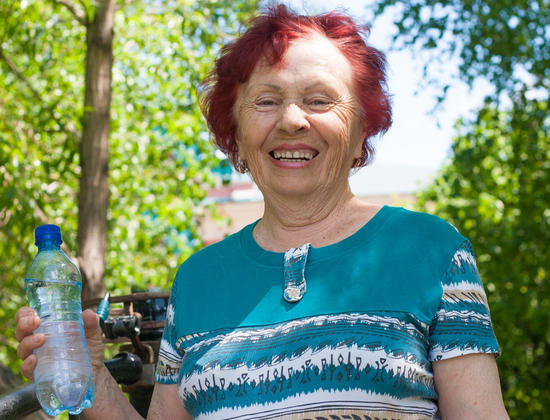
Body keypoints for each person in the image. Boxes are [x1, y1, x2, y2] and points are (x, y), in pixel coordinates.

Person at [16, 4, 510, 419]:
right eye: (267, 101)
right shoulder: (198, 279)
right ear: (236, 132)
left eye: (319, 100)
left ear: (363, 126)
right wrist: (91, 373)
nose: (292, 120)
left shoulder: (431, 252)